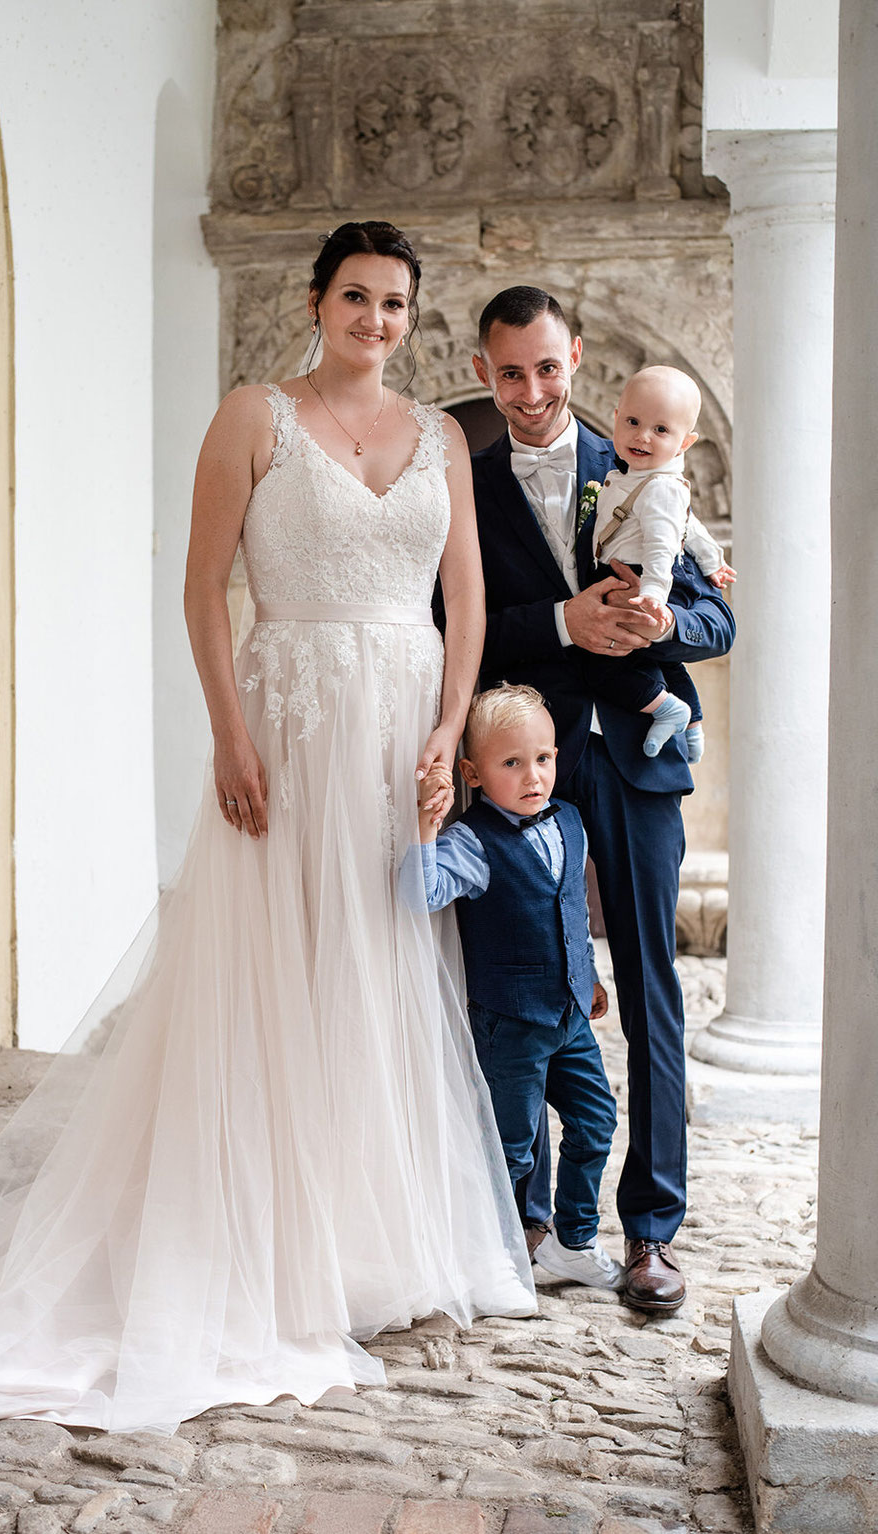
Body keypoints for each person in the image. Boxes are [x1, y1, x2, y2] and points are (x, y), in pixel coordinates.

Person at [0, 222, 535, 1434]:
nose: (375, 321)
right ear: (316, 301)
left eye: (394, 305)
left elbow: (466, 598)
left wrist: (444, 737)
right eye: (356, 297)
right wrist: (228, 733)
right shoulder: (254, 416)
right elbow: (201, 585)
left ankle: (359, 1239)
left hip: (398, 732)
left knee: (373, 967)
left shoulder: (441, 437)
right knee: (273, 972)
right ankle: (256, 1241)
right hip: (286, 720)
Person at [467, 285, 736, 1315]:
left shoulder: (638, 465)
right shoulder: (466, 483)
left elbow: (718, 618)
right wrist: (562, 624)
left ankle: (650, 1232)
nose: (531, 392)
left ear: (573, 358)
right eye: (509, 373)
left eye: (547, 368)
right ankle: (523, 1216)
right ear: (486, 371)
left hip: (629, 766)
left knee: (651, 989)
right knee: (512, 992)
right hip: (517, 775)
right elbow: (461, 628)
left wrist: (642, 628)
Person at [413, 684, 623, 1292]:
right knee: (510, 1149)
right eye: (511, 763)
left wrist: (588, 975)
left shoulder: (572, 822)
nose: (533, 776)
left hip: (569, 1015)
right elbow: (420, 896)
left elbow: (571, 910)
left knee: (596, 1120)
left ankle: (573, 1240)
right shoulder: (472, 842)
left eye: (543, 758)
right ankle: (491, 1258)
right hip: (510, 1023)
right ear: (473, 773)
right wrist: (427, 831)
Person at [580, 365, 737, 763]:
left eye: (661, 430)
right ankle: (694, 721)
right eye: (632, 421)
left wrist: (653, 595)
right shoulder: (637, 477)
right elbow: (691, 522)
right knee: (649, 657)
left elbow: (665, 545)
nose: (642, 436)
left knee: (601, 658)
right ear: (615, 417)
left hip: (645, 577)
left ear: (686, 442)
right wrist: (713, 558)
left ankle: (668, 708)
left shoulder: (660, 485)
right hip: (634, 573)